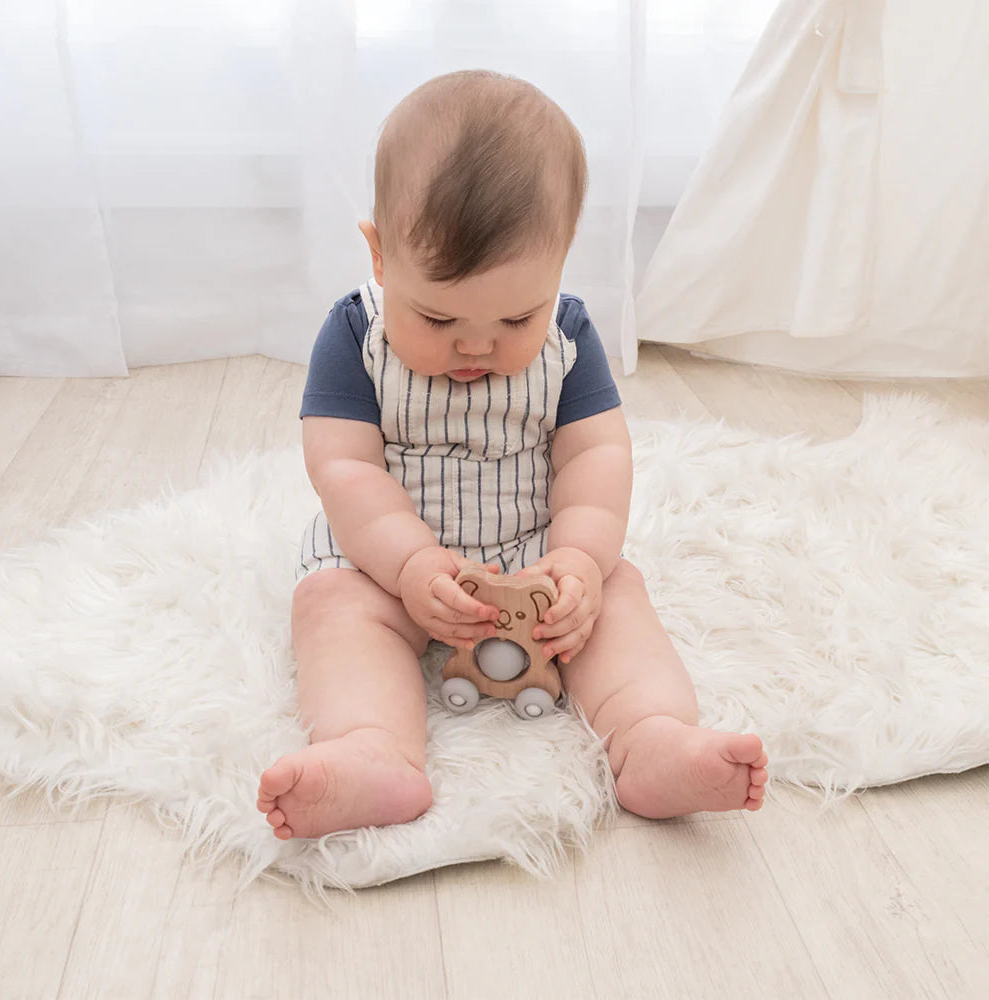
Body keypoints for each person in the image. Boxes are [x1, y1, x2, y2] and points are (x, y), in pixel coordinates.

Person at [257, 70, 768, 840]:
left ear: (561, 263)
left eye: (514, 317)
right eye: (436, 316)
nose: (475, 343)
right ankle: (372, 751)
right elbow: (346, 469)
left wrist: (581, 562)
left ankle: (650, 739)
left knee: (616, 603)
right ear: (380, 257)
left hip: (534, 553)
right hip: (384, 559)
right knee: (333, 609)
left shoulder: (569, 339)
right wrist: (408, 566)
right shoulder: (353, 337)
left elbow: (595, 455)